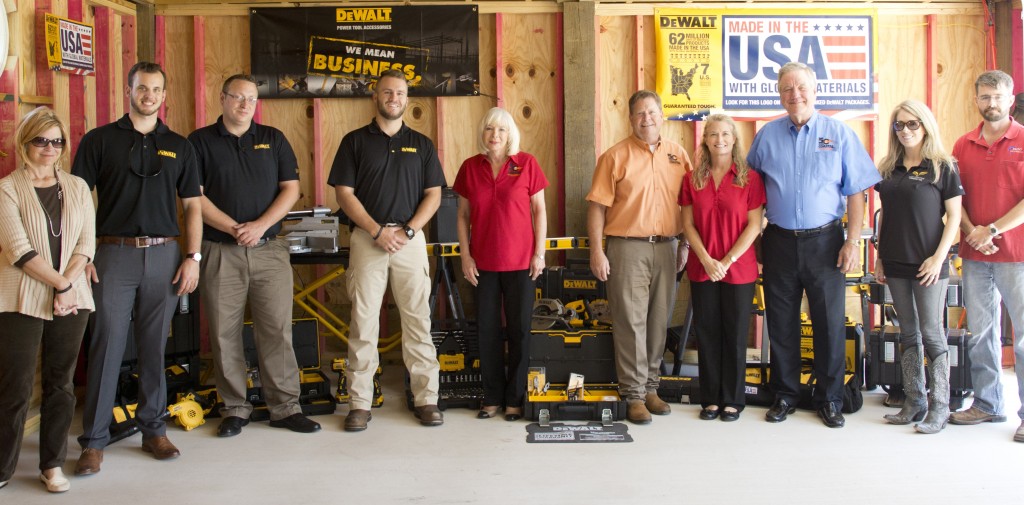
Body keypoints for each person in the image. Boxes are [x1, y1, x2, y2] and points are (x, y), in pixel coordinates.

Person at [72, 61, 202, 474]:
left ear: (165, 95)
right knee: (106, 345)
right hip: (113, 255)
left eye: (157, 89)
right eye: (142, 88)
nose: (150, 95)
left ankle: (153, 430)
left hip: (164, 255)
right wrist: (84, 255)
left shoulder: (181, 146)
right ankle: (93, 442)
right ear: (128, 90)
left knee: (153, 347)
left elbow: (193, 207)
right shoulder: (99, 141)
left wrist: (193, 257)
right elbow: (78, 201)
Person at [746, 61, 880, 428]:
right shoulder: (766, 137)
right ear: (779, 95)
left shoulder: (839, 133)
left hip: (827, 243)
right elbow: (752, 194)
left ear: (815, 90)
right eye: (787, 89)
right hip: (779, 242)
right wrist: (755, 237)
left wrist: (852, 241)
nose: (795, 95)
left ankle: (830, 398)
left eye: (801, 87)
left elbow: (856, 193)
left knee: (829, 324)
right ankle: (785, 395)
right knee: (782, 323)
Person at [188, 74, 320, 437]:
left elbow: (291, 190)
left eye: (251, 99)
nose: (245, 105)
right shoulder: (198, 142)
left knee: (277, 330)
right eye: (237, 97)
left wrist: (260, 226)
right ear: (222, 98)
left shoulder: (273, 139)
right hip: (219, 250)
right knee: (223, 333)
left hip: (269, 251)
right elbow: (194, 197)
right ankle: (234, 407)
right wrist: (234, 228)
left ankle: (285, 407)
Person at [328, 69, 445, 431]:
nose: (394, 98)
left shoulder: (422, 144)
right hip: (367, 240)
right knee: (363, 323)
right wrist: (377, 230)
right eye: (388, 92)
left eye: (400, 93)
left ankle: (427, 400)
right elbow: (344, 194)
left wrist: (408, 230)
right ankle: (360, 404)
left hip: (410, 242)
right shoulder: (353, 142)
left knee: (417, 323)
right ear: (375, 97)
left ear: (407, 99)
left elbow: (434, 195)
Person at [0, 108, 95, 493]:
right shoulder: (7, 188)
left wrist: (68, 284)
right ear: (25, 143)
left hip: (72, 297)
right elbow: (17, 249)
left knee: (61, 384)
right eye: (41, 140)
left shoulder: (76, 186)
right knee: (16, 385)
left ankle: (52, 465)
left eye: (57, 141)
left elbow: (86, 244)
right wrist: (62, 285)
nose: (50, 148)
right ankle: (3, 466)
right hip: (20, 296)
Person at [587, 90, 691, 425]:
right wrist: (597, 250)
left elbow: (689, 206)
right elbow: (597, 208)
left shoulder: (678, 155)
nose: (646, 118)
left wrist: (685, 245)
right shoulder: (614, 157)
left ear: (662, 115)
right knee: (630, 323)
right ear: (630, 119)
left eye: (652, 112)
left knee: (658, 321)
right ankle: (633, 394)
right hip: (627, 247)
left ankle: (651, 388)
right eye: (639, 113)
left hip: (667, 247)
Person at [453, 107, 548, 421]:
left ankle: (515, 398)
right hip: (483, 265)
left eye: (502, 131)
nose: (495, 136)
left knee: (520, 331)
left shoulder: (527, 164)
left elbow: (539, 212)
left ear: (511, 135)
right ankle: (491, 396)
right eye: (490, 129)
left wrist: (539, 253)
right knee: (488, 332)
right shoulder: (469, 167)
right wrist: (465, 256)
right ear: (483, 133)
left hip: (522, 263)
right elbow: (463, 216)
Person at [874, 100, 963, 434]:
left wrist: (940, 258)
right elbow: (886, 217)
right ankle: (914, 400)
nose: (906, 130)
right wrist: (880, 257)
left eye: (913, 124)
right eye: (899, 125)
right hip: (895, 262)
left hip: (929, 263)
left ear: (925, 125)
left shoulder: (943, 166)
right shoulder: (888, 168)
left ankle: (940, 405)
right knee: (907, 332)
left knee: (932, 332)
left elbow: (954, 216)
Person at [949, 70, 1024, 444]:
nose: (991, 103)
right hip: (975, 255)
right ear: (976, 100)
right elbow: (954, 197)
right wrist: (970, 232)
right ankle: (988, 403)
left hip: (1017, 255)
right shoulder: (963, 145)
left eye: (998, 96)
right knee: (980, 335)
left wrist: (990, 230)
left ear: (1010, 99)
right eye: (984, 96)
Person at [679, 114, 765, 422]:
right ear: (705, 140)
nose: (720, 139)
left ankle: (733, 399)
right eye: (713, 134)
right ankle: (711, 398)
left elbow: (755, 225)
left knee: (735, 334)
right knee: (707, 333)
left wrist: (726, 261)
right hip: (703, 267)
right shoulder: (692, 179)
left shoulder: (749, 179)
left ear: (734, 139)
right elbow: (687, 224)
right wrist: (705, 258)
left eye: (725, 134)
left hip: (738, 269)